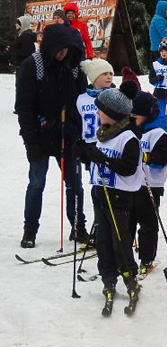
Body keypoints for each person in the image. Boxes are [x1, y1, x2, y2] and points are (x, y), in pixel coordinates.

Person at [15, 23, 88, 249]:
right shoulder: (31, 67)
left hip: (67, 134)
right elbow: (24, 108)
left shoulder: (73, 67)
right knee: (37, 183)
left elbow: (82, 102)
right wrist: (31, 143)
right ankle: (30, 230)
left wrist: (77, 131)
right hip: (40, 133)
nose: (63, 54)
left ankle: (78, 226)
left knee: (74, 184)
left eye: (66, 49)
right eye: (59, 49)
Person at [78, 82, 143, 311]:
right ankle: (108, 278)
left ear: (113, 115)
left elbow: (128, 167)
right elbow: (97, 159)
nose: (96, 113)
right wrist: (85, 155)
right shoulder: (103, 134)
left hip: (118, 197)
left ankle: (129, 277)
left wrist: (100, 158)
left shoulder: (128, 138)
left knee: (119, 241)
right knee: (103, 241)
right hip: (100, 195)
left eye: (100, 109)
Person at [129, 90, 167, 276]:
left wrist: (145, 156)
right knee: (128, 220)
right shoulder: (134, 129)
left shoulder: (159, 132)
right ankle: (125, 256)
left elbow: (162, 158)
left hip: (151, 185)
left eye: (135, 116)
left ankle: (146, 259)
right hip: (131, 184)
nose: (132, 118)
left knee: (148, 224)